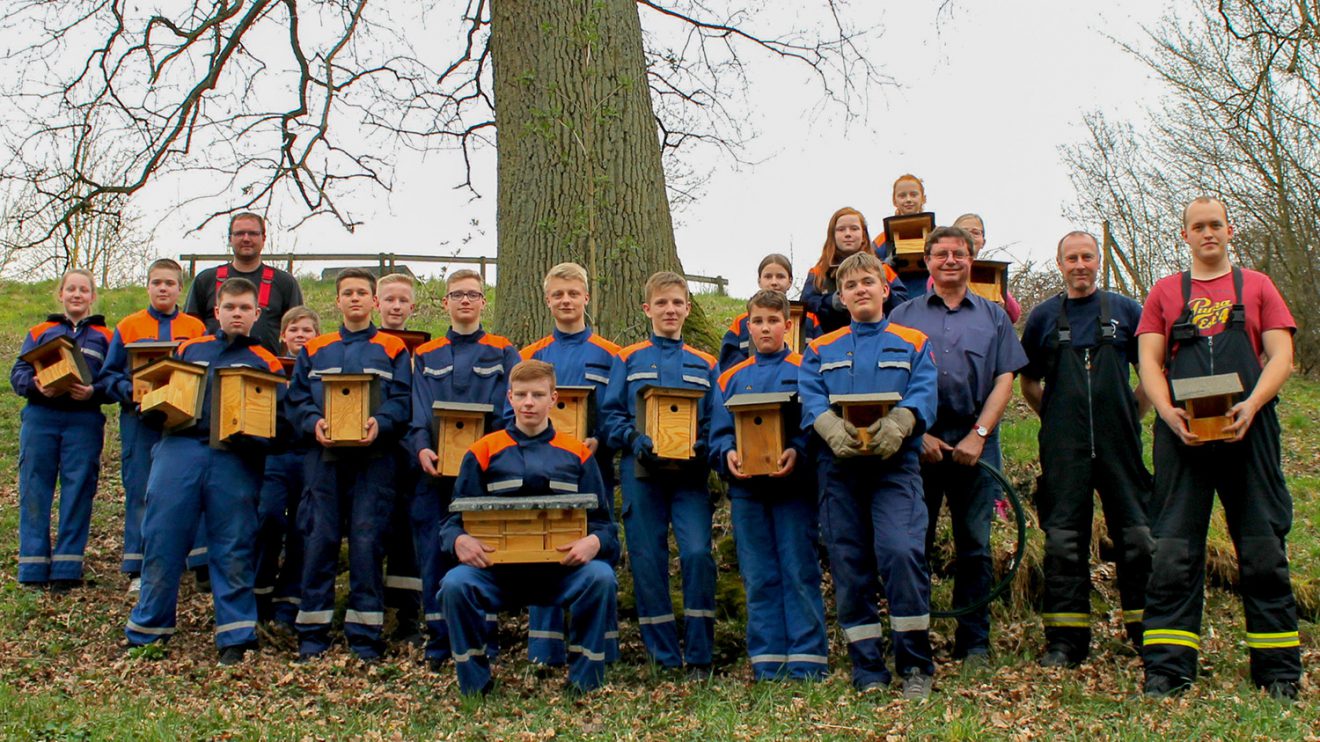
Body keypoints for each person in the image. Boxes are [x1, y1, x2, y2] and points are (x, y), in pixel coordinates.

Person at [1136, 197, 1301, 701]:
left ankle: (1277, 672)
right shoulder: (1165, 292)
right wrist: (1167, 413)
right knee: (1172, 552)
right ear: (1184, 235)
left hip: (1248, 432)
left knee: (1263, 549)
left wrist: (1251, 405)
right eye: (1197, 227)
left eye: (1216, 225)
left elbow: (1282, 356)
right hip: (1182, 437)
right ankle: (1167, 669)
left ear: (1230, 231)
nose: (1208, 233)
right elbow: (1148, 361)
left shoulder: (1258, 286)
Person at [797, 251, 938, 698]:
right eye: (851, 285)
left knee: (900, 553)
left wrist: (900, 424)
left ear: (883, 288)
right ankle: (868, 670)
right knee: (849, 565)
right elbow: (810, 395)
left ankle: (916, 666)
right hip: (838, 471)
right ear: (840, 296)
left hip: (894, 469)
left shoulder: (914, 341)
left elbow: (924, 390)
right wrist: (828, 428)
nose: (860, 290)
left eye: (867, 282)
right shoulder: (821, 348)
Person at [124, 277, 285, 664]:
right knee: (162, 535)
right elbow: (156, 393)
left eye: (245, 308)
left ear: (256, 314)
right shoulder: (188, 348)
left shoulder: (267, 360)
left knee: (233, 543)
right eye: (230, 307)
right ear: (216, 312)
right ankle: (149, 627)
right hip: (179, 449)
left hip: (234, 458)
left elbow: (282, 421)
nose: (236, 314)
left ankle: (235, 633)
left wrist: (257, 438)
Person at [889, 225, 1027, 666]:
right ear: (927, 261)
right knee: (915, 544)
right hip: (918, 444)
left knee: (974, 544)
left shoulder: (994, 316)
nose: (950, 260)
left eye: (959, 253)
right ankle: (916, 639)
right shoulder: (904, 315)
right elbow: (890, 381)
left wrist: (979, 435)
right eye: (941, 254)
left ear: (971, 259)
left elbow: (1006, 378)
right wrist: (917, 434)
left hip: (976, 443)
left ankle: (975, 643)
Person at [438, 360, 619, 696]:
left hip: (560, 573)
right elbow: (451, 521)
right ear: (509, 397)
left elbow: (606, 526)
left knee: (601, 578)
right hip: (496, 574)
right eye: (521, 395)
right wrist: (459, 540)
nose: (529, 403)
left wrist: (594, 542)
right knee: (454, 585)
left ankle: (585, 683)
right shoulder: (482, 452)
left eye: (538, 395)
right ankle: (475, 685)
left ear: (554, 398)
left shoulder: (577, 454)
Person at [1020, 231, 1152, 667]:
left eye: (1087, 257)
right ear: (1059, 264)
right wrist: (1056, 418)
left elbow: (1150, 371)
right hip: (1064, 448)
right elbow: (1029, 382)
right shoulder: (1042, 319)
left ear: (1099, 261)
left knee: (1136, 537)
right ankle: (1066, 641)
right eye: (1071, 258)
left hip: (1121, 445)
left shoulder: (1128, 312)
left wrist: (1134, 415)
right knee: (1064, 541)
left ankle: (1146, 632)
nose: (1080, 264)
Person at [288, 268, 412, 662]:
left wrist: (382, 423)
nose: (355, 299)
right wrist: (314, 423)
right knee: (320, 540)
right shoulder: (315, 349)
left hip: (375, 461)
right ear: (337, 301)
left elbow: (404, 400)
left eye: (362, 292)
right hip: (323, 459)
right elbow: (296, 400)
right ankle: (313, 633)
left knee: (366, 541)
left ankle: (364, 635)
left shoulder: (393, 349)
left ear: (374, 301)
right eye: (347, 293)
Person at [601, 271, 719, 679]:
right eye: (662, 303)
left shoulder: (706, 363)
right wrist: (631, 438)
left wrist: (704, 444)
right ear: (647, 309)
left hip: (690, 479)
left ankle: (701, 655)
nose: (670, 310)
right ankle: (664, 655)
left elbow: (717, 421)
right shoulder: (628, 359)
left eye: (677, 303)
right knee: (648, 560)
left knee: (697, 554)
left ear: (688, 308)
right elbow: (609, 414)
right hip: (641, 475)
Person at [711, 290, 828, 681]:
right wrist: (726, 454)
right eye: (758, 321)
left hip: (793, 489)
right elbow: (718, 432)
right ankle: (768, 662)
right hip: (747, 492)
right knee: (759, 574)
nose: (765, 328)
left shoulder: (805, 369)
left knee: (798, 569)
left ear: (788, 325)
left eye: (773, 321)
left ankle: (808, 660)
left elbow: (816, 425)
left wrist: (798, 451)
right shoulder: (730, 377)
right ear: (747, 327)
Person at [407, 269, 521, 671]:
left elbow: (512, 409)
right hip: (434, 473)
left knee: (480, 554)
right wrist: (421, 448)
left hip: (485, 476)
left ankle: (483, 641)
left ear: (483, 302)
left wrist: (491, 456)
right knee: (434, 554)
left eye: (473, 294)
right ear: (445, 303)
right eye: (457, 295)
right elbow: (416, 411)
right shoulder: (426, 355)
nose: (466, 301)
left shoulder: (503, 350)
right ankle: (438, 644)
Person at [519, 262, 623, 667]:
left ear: (586, 298)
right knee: (545, 549)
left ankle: (598, 646)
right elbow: (517, 411)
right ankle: (545, 650)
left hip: (592, 469)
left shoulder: (611, 355)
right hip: (540, 472)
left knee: (597, 549)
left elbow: (616, 412)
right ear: (547, 301)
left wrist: (601, 440)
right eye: (558, 294)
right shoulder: (531, 355)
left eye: (573, 293)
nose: (566, 300)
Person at [96, 259, 208, 592]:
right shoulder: (129, 326)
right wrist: (131, 391)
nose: (163, 288)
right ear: (148, 286)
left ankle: (198, 561)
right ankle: (140, 565)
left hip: (183, 421)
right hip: (140, 420)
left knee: (192, 488)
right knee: (141, 488)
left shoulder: (196, 327)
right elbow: (108, 376)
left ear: (180, 289)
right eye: (157, 282)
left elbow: (206, 370)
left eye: (170, 283)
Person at [12, 270, 112, 592]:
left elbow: (115, 379)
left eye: (84, 290)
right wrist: (36, 386)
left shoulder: (106, 336)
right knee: (35, 488)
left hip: (83, 421)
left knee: (79, 489)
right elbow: (18, 373)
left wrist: (93, 392)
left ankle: (67, 568)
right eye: (71, 289)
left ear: (92, 296)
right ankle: (32, 567)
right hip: (41, 418)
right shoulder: (40, 331)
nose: (77, 295)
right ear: (61, 294)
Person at [252, 306, 320, 629]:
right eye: (294, 330)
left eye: (307, 330)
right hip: (275, 457)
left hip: (309, 457)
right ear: (282, 335)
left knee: (302, 528)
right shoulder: (270, 368)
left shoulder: (322, 370)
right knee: (268, 517)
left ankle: (288, 601)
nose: (300, 335)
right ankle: (260, 590)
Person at [375, 273, 423, 646]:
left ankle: (407, 614)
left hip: (411, 453)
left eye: (402, 301)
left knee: (408, 534)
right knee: (372, 531)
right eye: (388, 299)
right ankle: (372, 611)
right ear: (377, 303)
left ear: (412, 307)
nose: (395, 307)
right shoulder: (369, 345)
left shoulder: (423, 349)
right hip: (373, 454)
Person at [183, 212, 303, 355]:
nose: (246, 239)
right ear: (230, 239)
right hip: (212, 368)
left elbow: (296, 328)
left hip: (266, 370)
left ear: (263, 238)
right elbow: (190, 327)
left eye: (252, 233)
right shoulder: (205, 280)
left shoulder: (285, 283)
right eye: (240, 233)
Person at [801, 207, 908, 334]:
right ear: (833, 236)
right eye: (841, 229)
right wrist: (830, 302)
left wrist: (884, 296)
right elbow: (805, 303)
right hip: (832, 341)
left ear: (863, 236)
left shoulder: (882, 269)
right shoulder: (819, 272)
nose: (848, 234)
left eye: (854, 228)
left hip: (879, 337)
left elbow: (902, 302)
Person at [718, 254, 822, 370]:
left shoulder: (809, 319)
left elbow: (821, 354)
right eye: (768, 277)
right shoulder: (742, 322)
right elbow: (728, 359)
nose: (774, 282)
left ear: (790, 281)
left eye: (780, 277)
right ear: (759, 281)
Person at [951, 214, 1022, 323]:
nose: (969, 236)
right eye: (963, 232)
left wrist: (1001, 300)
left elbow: (1015, 314)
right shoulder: (942, 271)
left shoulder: (989, 272)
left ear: (983, 242)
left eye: (975, 232)